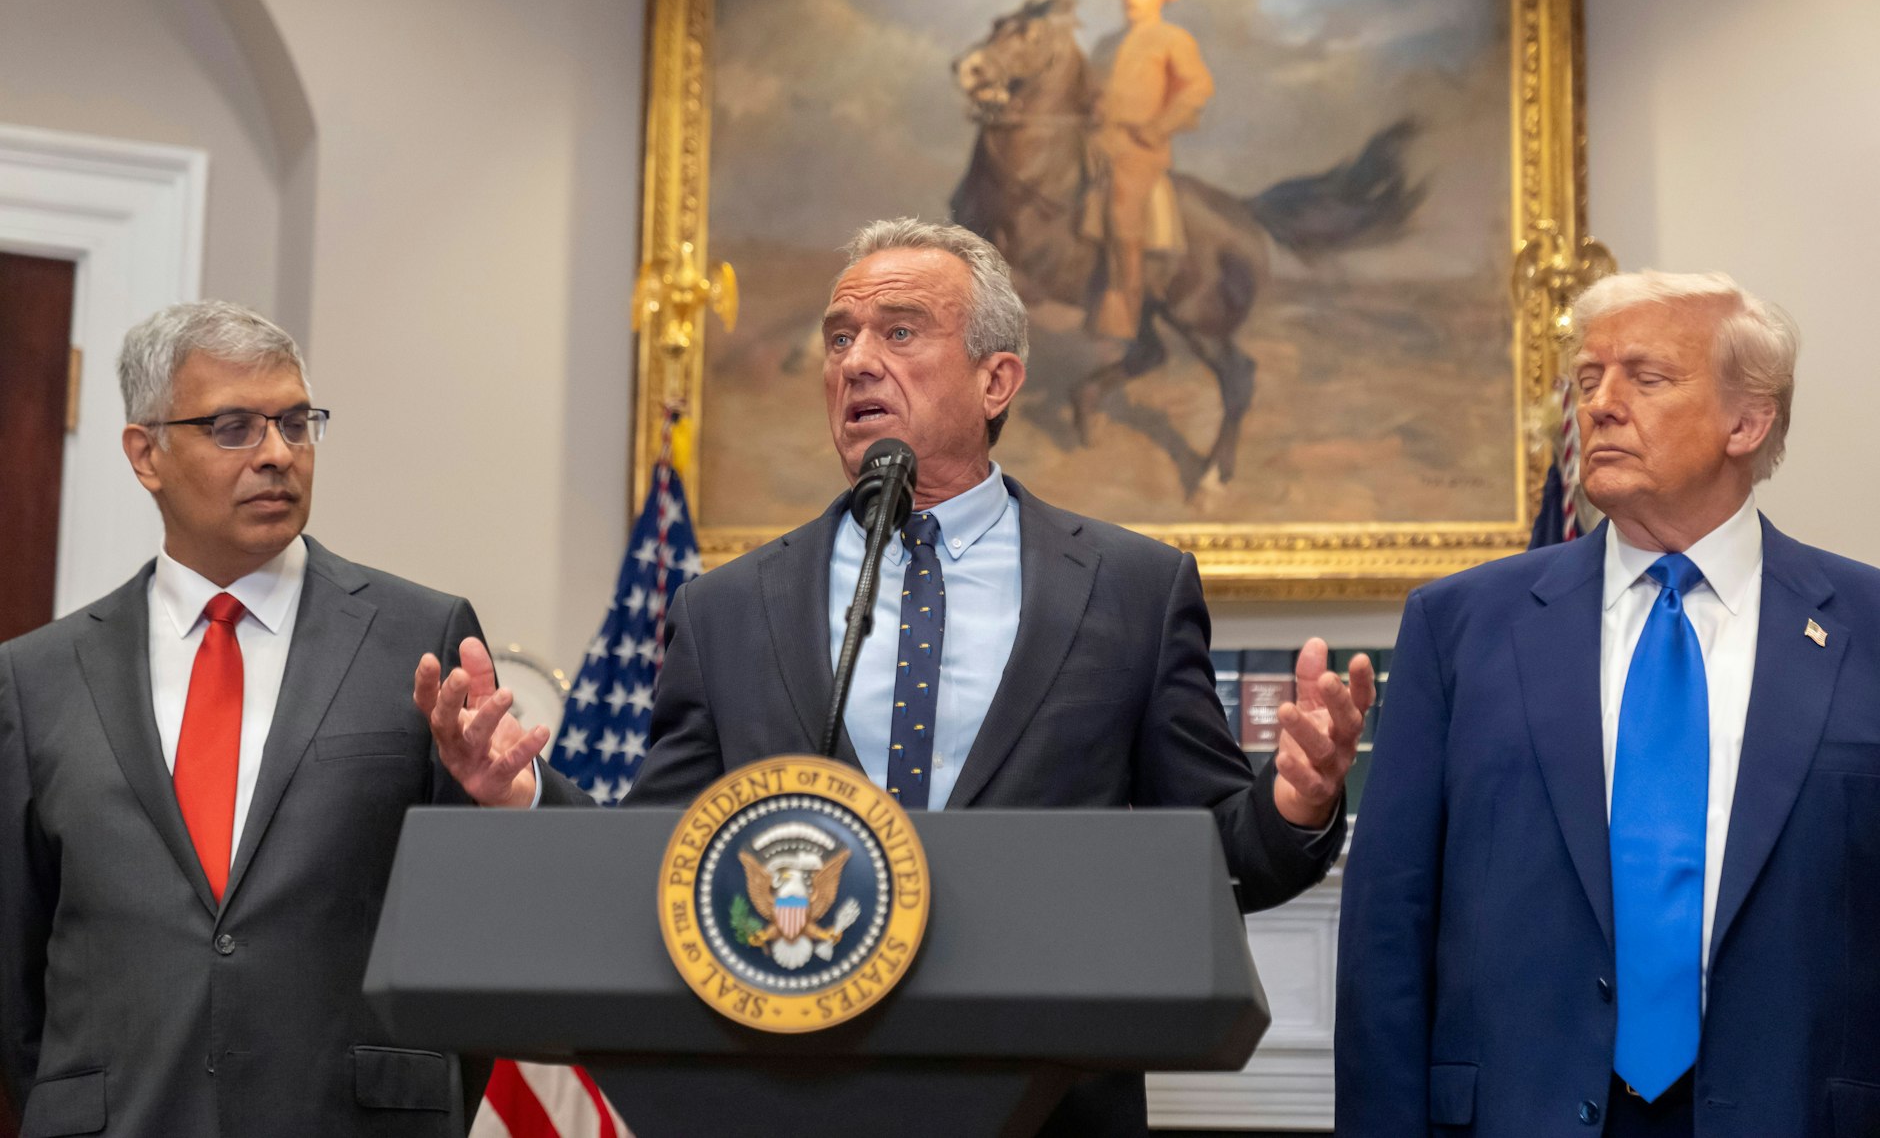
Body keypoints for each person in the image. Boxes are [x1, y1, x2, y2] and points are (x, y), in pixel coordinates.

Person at [625, 217, 1368, 1136]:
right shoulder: (724, 609)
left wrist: (1296, 802)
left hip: (1050, 1103)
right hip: (791, 1095)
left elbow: (1220, 853)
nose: (857, 360)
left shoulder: (1133, 589)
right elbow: (653, 859)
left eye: (899, 331)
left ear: (996, 379)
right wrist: (529, 798)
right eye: (840, 336)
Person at [0, 301, 584, 1138]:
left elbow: (478, 939)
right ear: (145, 454)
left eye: (296, 423)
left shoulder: (418, 638)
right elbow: (16, 977)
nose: (277, 453)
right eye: (233, 426)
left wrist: (511, 799)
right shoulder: (36, 679)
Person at [1336, 272, 1880, 1137]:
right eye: (1587, 379)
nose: (1601, 405)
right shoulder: (1461, 626)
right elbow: (1387, 935)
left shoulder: (1866, 627)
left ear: (1748, 421)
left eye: (1646, 377)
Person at [1086, 0, 1215, 341]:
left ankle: (1125, 310)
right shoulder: (1107, 44)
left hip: (1139, 148)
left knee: (1122, 213)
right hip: (1096, 141)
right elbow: (1092, 92)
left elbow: (1198, 87)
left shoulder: (1173, 39)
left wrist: (1159, 127)